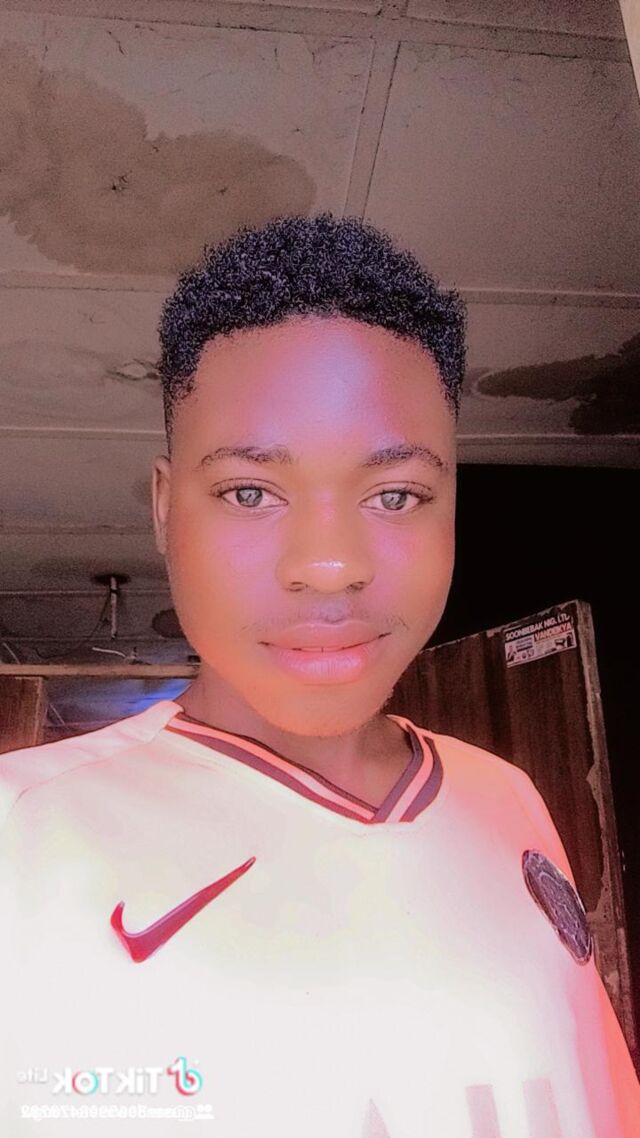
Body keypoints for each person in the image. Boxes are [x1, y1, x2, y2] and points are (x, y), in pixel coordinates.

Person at [1, 212, 638, 1137]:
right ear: (164, 508)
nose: (329, 566)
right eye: (250, 492)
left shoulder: (508, 797)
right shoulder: (23, 836)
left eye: (396, 494)